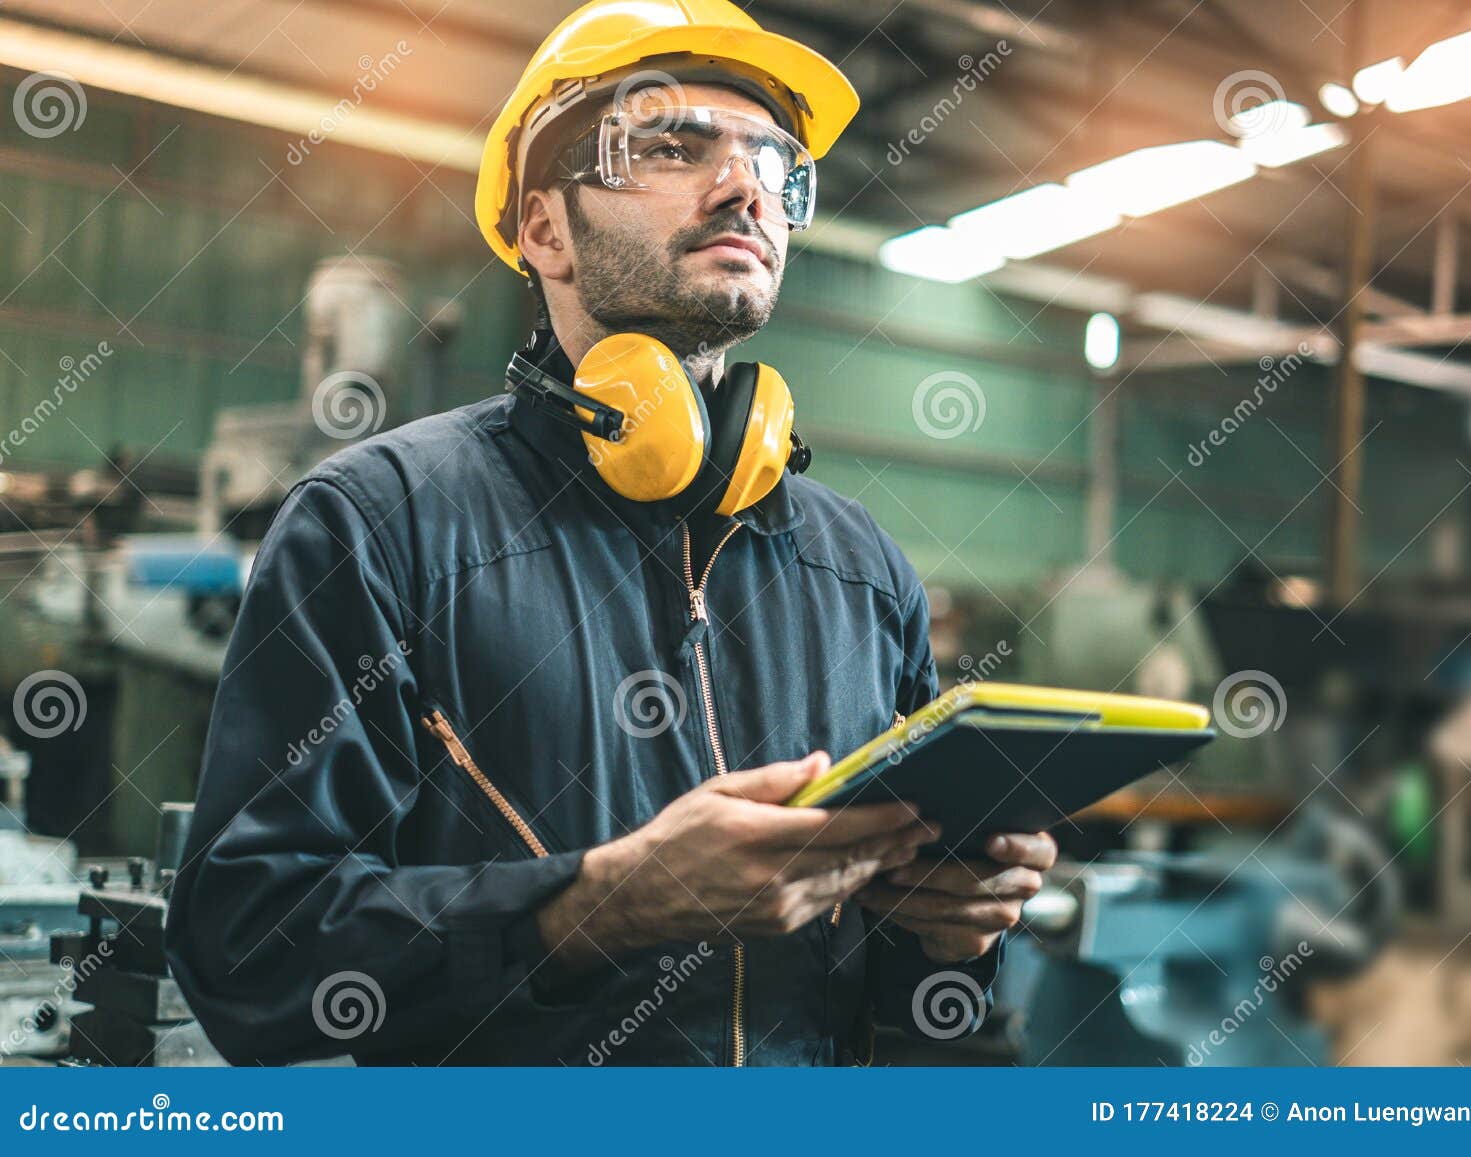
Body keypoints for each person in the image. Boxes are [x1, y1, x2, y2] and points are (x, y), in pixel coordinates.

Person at [166, 0, 1055, 1066]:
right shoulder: (379, 523)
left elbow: (905, 1008)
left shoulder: (859, 568)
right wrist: (595, 903)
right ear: (544, 229)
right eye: (674, 147)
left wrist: (950, 932)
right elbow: (246, 949)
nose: (744, 189)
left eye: (775, 168)